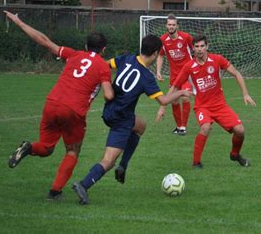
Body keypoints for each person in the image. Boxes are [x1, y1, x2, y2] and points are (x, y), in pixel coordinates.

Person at [4, 10, 114, 200]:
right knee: (72, 151)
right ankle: (55, 192)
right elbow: (108, 95)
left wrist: (19, 23)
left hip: (52, 103)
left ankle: (29, 148)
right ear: (104, 49)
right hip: (73, 111)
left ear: (86, 46)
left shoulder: (74, 54)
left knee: (46, 148)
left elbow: (45, 41)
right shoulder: (103, 66)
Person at [72, 34, 190, 205]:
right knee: (108, 160)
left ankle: (124, 166)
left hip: (111, 109)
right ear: (156, 53)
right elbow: (163, 101)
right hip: (120, 119)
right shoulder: (147, 77)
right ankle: (83, 184)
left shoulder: (127, 58)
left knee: (141, 126)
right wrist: (181, 92)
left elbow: (104, 65)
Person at [157, 35, 256, 168]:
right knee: (205, 127)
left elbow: (236, 73)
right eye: (196, 46)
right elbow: (175, 86)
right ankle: (196, 163)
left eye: (202, 46)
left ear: (207, 46)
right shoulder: (189, 66)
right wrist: (163, 107)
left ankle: (235, 154)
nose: (199, 49)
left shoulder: (217, 59)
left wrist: (245, 94)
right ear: (193, 48)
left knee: (240, 131)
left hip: (220, 106)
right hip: (202, 106)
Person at [156, 14, 194, 135]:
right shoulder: (163, 40)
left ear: (177, 26)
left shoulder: (186, 37)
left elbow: (197, 50)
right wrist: (158, 71)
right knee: (175, 101)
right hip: (174, 75)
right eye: (169, 24)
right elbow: (160, 55)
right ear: (166, 25)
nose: (171, 27)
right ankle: (178, 127)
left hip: (188, 74)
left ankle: (183, 127)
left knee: (185, 97)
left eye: (173, 24)